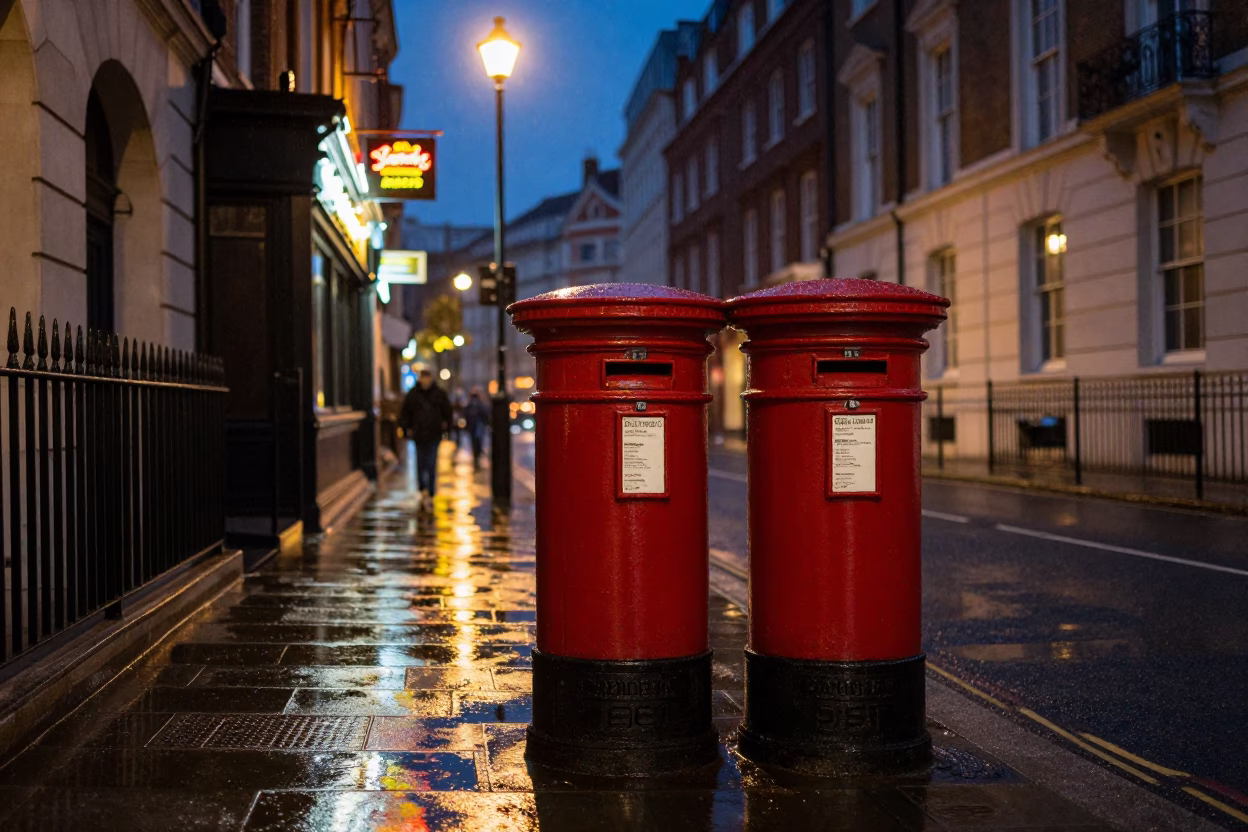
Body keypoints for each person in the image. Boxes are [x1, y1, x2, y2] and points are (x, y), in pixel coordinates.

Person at [400, 369, 452, 499]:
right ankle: (422, 487)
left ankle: (430, 489)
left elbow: (447, 413)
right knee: (421, 462)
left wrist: (447, 430)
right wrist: (406, 429)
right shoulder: (413, 394)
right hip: (419, 434)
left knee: (431, 462)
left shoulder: (439, 394)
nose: (425, 380)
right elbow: (405, 413)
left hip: (434, 434)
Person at [462, 388, 490, 471]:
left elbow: (465, 414)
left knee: (475, 443)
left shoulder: (470, 405)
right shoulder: (479, 405)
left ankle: (476, 457)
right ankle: (477, 456)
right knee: (478, 443)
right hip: (477, 427)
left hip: (474, 427)